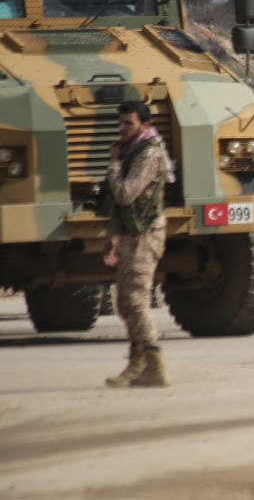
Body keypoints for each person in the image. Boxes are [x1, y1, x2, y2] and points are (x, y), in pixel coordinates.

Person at [102, 100, 173, 388]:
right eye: (120, 123)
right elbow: (122, 208)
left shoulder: (148, 155)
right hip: (132, 234)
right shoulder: (134, 151)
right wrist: (114, 237)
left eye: (128, 124)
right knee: (125, 303)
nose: (122, 129)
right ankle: (137, 364)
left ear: (144, 125)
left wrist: (114, 165)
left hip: (146, 234)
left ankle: (153, 364)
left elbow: (125, 195)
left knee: (136, 301)